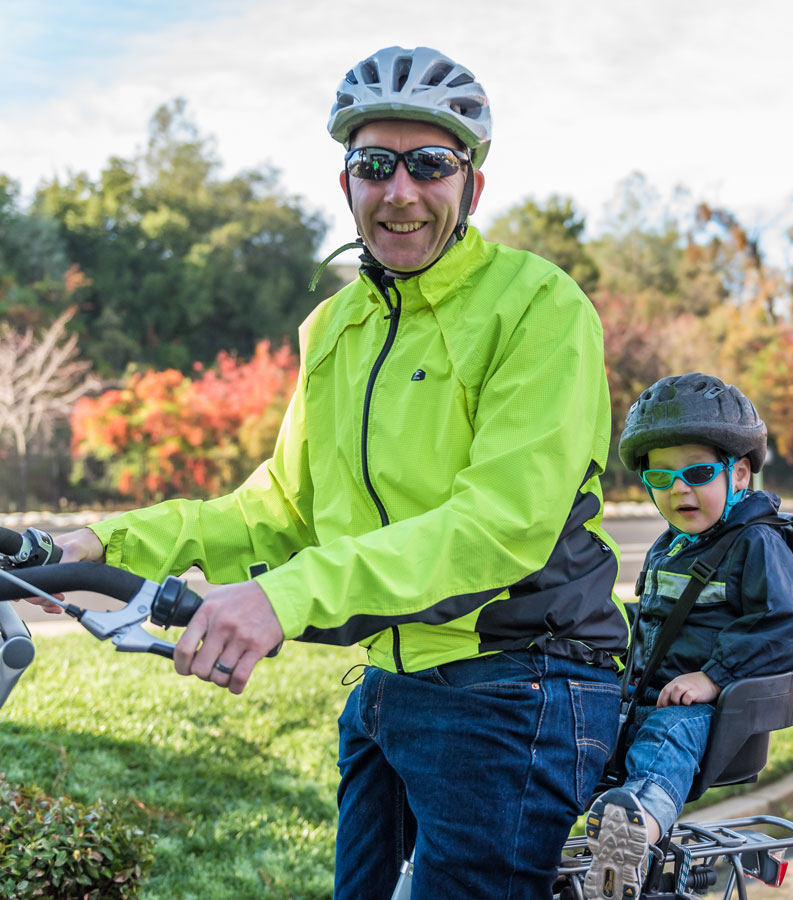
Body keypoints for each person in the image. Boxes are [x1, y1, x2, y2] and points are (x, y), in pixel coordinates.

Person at [33, 46, 630, 898]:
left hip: (519, 681)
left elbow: (499, 525)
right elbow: (277, 507)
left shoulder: (538, 306)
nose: (400, 191)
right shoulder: (334, 327)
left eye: (430, 164)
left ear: (472, 188)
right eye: (374, 164)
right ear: (344, 182)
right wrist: (88, 538)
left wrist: (283, 597)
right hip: (391, 682)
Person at [582, 372, 793, 900]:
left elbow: (781, 625)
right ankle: (567, 827)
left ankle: (633, 832)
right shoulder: (670, 546)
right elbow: (655, 619)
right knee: (577, 724)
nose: (679, 488)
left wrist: (712, 677)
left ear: (741, 474)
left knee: (668, 737)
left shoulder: (755, 544)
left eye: (698, 472)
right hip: (646, 694)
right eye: (661, 478)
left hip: (711, 711)